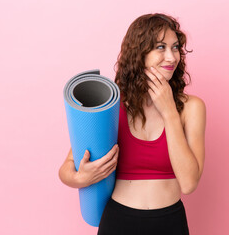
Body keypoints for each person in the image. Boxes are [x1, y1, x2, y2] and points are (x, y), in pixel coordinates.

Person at [58, 13, 206, 235]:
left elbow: (189, 183)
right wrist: (81, 177)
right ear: (140, 53)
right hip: (118, 222)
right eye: (160, 47)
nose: (171, 57)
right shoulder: (112, 107)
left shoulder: (191, 107)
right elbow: (66, 169)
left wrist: (169, 112)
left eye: (175, 47)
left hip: (169, 222)